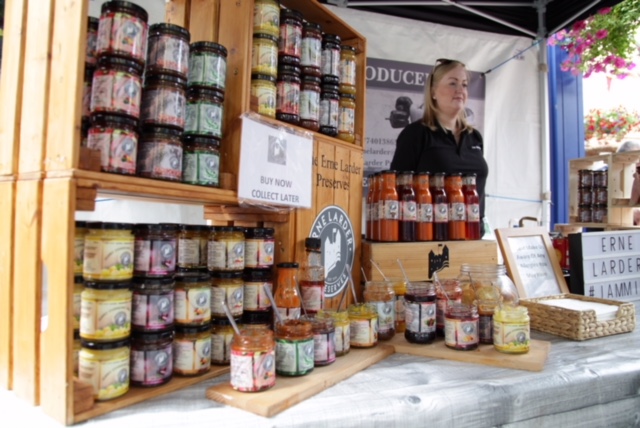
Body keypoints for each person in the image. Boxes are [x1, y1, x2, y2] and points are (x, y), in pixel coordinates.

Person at [390, 58, 489, 220]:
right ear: (433, 92)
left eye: (464, 84)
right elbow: (399, 192)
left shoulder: (474, 137)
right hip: (432, 238)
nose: (460, 90)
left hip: (473, 236)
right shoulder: (415, 134)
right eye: (452, 83)